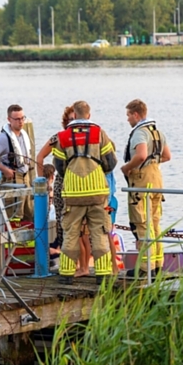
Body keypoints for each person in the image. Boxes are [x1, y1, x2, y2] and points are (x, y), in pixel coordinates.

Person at [52, 100, 117, 285]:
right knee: (99, 232)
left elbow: (59, 166)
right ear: (89, 114)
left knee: (71, 232)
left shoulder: (63, 136)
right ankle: (103, 274)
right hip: (97, 191)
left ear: (74, 113)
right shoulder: (99, 133)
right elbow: (111, 162)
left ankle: (66, 273)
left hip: (73, 193)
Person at [120, 99, 172, 277]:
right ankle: (157, 263)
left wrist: (127, 168)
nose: (127, 119)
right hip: (157, 177)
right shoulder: (157, 132)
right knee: (155, 222)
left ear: (136, 115)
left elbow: (141, 155)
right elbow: (167, 156)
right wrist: (153, 162)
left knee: (141, 222)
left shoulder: (140, 133)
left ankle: (144, 267)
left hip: (141, 179)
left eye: (128, 115)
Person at [36, 105, 76, 251]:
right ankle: (63, 252)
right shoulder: (57, 137)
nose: (73, 123)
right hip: (62, 183)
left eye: (76, 119)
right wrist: (42, 182)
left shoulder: (86, 138)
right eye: (70, 119)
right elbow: (39, 157)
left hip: (79, 184)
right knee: (62, 221)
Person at [0, 104, 34, 223]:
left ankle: (26, 240)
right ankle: (10, 240)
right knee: (13, 212)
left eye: (22, 118)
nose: (21, 122)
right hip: (12, 177)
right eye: (17, 119)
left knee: (28, 211)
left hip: (25, 176)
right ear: (9, 119)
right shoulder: (3, 138)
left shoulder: (24, 135)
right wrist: (4, 169)